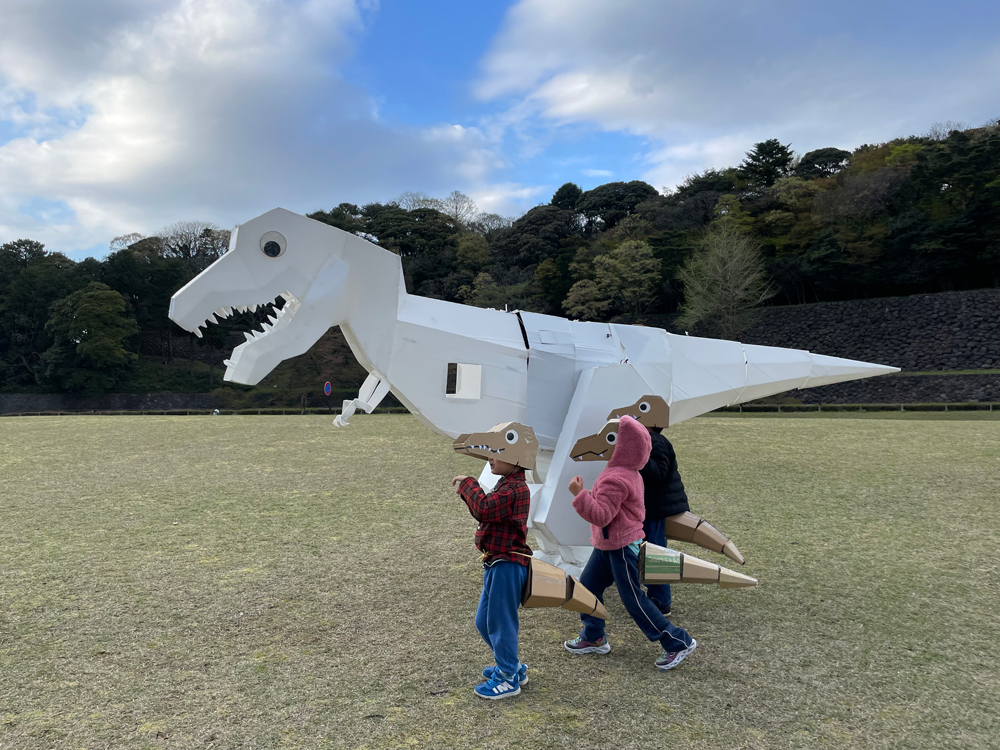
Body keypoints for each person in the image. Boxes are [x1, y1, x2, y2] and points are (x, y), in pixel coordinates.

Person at [564, 415, 697, 671]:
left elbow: (601, 515)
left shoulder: (616, 477)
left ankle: (677, 641)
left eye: (610, 438)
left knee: (633, 599)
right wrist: (592, 495)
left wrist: (579, 495)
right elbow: (614, 509)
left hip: (621, 547)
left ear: (624, 446)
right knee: (588, 587)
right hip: (609, 544)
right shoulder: (626, 471)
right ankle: (594, 636)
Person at [452, 454, 532, 699]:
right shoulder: (507, 483)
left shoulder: (515, 488)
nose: (490, 458)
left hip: (507, 564)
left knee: (500, 622)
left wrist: (468, 484)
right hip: (496, 562)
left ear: (516, 457)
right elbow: (487, 511)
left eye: (497, 453)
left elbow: (484, 508)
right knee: (484, 621)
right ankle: (513, 666)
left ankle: (508, 678)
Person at [639, 423, 691, 616]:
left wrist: (639, 454)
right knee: (651, 552)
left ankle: (661, 600)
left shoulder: (655, 441)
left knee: (655, 553)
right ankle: (656, 596)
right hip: (653, 508)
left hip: (656, 509)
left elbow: (657, 474)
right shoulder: (651, 440)